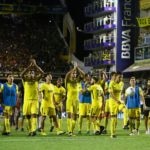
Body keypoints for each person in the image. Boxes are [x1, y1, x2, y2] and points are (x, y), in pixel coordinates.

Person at [21, 59, 44, 136]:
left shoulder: (36, 80)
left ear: (35, 75)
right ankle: (30, 130)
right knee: (27, 117)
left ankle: (34, 130)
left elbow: (42, 73)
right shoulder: (25, 80)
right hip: (26, 101)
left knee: (34, 114)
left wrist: (35, 65)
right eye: (30, 73)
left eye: (33, 73)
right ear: (28, 74)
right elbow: (21, 75)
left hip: (34, 100)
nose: (31, 74)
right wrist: (29, 67)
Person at [65, 63, 85, 136]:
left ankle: (71, 131)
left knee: (75, 116)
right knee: (69, 115)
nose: (74, 74)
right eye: (73, 73)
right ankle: (69, 131)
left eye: (75, 73)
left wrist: (77, 68)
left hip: (76, 100)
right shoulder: (68, 81)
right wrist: (73, 69)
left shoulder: (78, 81)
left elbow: (83, 75)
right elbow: (67, 75)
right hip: (69, 100)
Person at [109, 72, 125, 138]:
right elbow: (111, 94)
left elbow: (121, 92)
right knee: (114, 118)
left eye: (121, 77)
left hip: (119, 102)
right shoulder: (112, 83)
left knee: (125, 109)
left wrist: (122, 98)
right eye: (119, 77)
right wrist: (117, 100)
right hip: (113, 102)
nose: (120, 79)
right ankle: (113, 133)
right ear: (115, 77)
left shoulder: (121, 83)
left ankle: (126, 124)